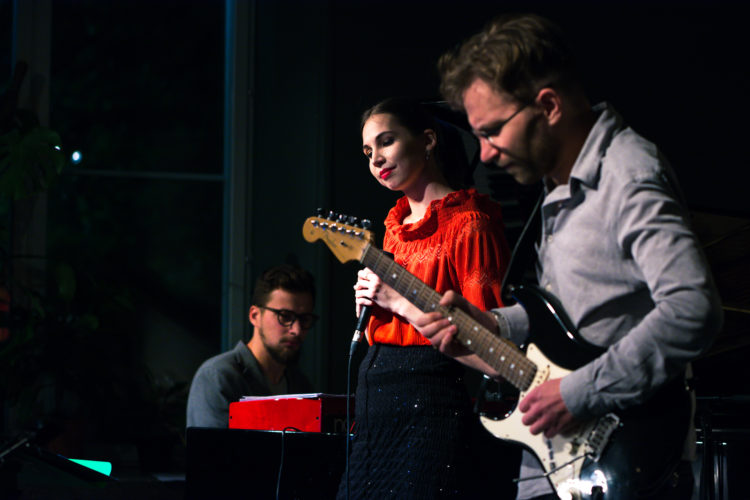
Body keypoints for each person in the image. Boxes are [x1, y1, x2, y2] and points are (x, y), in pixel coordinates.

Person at [414, 13, 724, 500]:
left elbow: (693, 310)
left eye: (492, 131)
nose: (486, 153)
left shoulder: (628, 174)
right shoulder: (558, 183)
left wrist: (578, 393)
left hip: (623, 458)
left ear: (549, 106)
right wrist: (494, 324)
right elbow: (571, 311)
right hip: (557, 463)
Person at [338, 96, 512, 499]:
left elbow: (494, 350)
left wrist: (399, 302)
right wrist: (369, 304)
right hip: (375, 400)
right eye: (367, 151)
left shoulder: (470, 224)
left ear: (428, 140)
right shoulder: (394, 228)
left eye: (387, 141)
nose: (376, 159)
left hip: (429, 401)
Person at [186, 264, 317, 428]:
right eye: (284, 316)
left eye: (304, 319)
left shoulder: (301, 385)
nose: (296, 330)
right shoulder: (218, 377)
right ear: (255, 316)